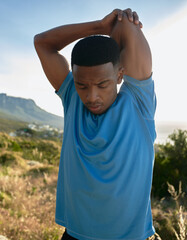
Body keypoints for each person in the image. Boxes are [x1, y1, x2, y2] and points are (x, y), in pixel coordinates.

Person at [34, 8, 156, 240]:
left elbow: (127, 27)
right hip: (75, 236)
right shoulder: (71, 98)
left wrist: (122, 21)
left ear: (120, 75)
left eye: (102, 84)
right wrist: (98, 27)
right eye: (82, 85)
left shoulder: (138, 102)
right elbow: (42, 43)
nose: (91, 97)